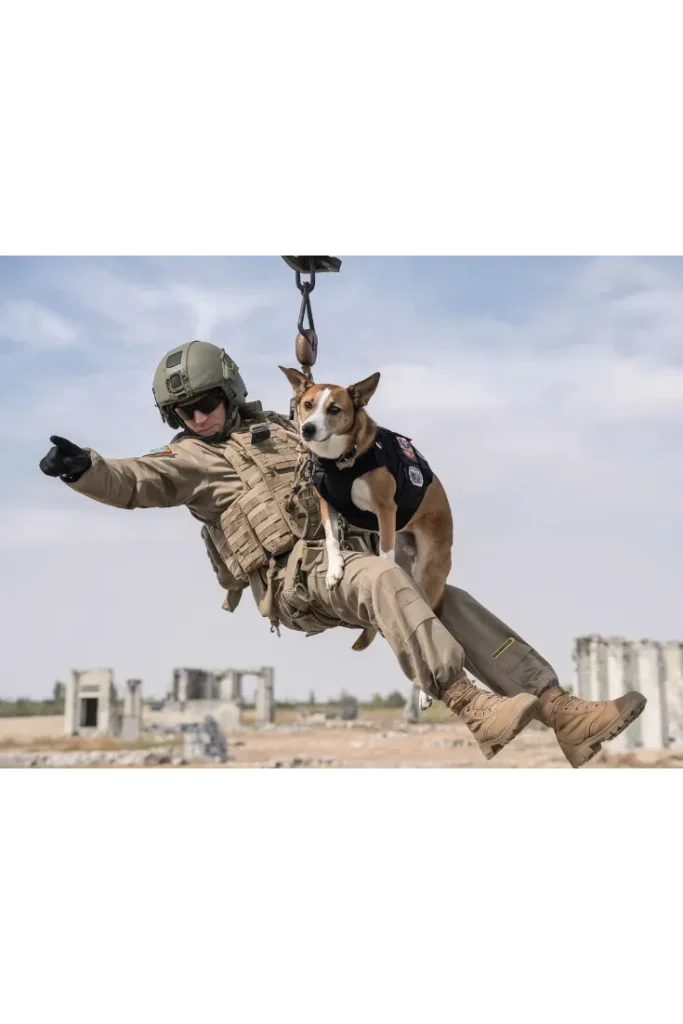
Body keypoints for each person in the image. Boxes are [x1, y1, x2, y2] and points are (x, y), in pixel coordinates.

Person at [39, 340, 646, 768]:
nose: (199, 417)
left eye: (208, 402)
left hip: (346, 555)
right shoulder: (192, 461)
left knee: (444, 598)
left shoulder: (285, 425)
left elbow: (334, 412)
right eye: (185, 411)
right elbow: (133, 480)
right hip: (297, 582)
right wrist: (84, 469)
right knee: (385, 577)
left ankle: (561, 711)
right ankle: (468, 702)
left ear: (231, 392)